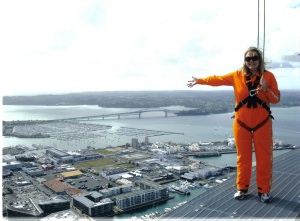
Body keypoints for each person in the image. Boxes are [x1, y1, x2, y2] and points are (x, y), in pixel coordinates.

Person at [187, 46, 280, 203]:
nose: (251, 61)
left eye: (254, 58)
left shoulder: (268, 77)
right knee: (243, 157)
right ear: (244, 61)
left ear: (259, 60)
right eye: (248, 58)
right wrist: (200, 81)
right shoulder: (237, 76)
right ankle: (242, 188)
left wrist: (266, 88)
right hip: (241, 124)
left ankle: (263, 190)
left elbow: (275, 99)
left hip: (262, 124)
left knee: (264, 158)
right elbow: (218, 79)